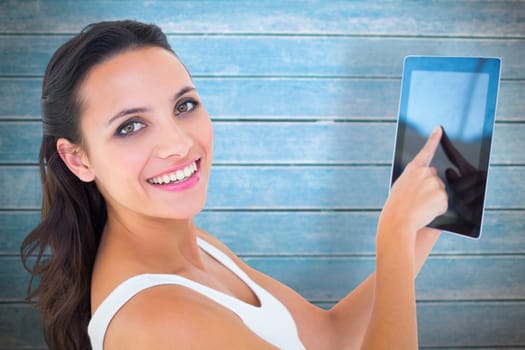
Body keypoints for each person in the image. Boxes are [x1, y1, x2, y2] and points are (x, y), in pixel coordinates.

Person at [21, 20, 448, 350]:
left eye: (184, 105)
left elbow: (329, 337)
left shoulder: (194, 247)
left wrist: (423, 228)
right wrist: (392, 237)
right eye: (131, 126)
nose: (178, 143)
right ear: (78, 158)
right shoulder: (158, 315)